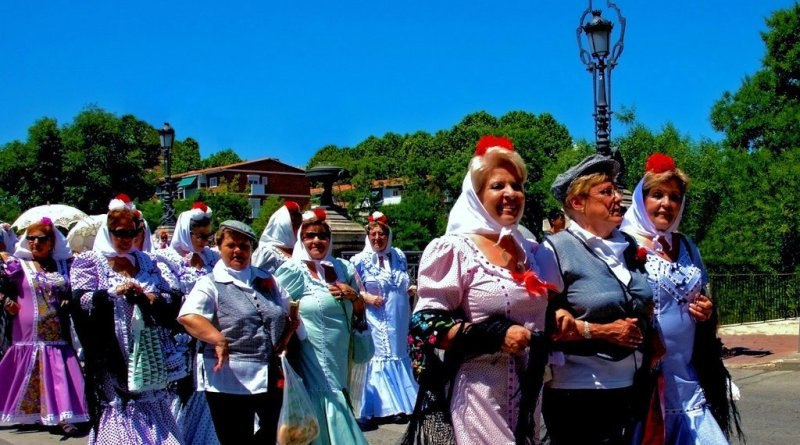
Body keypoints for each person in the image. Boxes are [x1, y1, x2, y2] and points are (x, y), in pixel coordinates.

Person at [410, 135, 552, 444]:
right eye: (498, 186)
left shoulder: (529, 250)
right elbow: (424, 323)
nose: (511, 194)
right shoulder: (455, 249)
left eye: (517, 186)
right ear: (476, 195)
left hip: (529, 394)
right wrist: (494, 334)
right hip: (478, 395)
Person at [621, 153, 742, 444]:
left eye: (674, 197)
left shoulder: (687, 246)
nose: (666, 203)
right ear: (641, 199)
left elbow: (704, 294)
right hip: (648, 378)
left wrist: (707, 310)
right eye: (657, 195)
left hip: (689, 374)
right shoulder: (623, 243)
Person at [534, 154, 655, 445]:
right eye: (606, 192)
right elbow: (543, 323)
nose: (618, 198)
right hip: (580, 392)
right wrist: (602, 331)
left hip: (633, 386)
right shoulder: (555, 249)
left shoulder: (629, 246)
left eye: (617, 190)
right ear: (578, 203)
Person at [70, 194, 183, 444]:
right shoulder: (91, 262)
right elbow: (80, 300)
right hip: (113, 350)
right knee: (120, 404)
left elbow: (170, 296)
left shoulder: (146, 261)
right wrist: (112, 293)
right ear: (108, 231)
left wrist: (151, 297)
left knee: (152, 400)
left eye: (131, 233)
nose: (126, 239)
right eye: (120, 233)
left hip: (148, 346)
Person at [179, 220, 297, 445]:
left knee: (275, 433)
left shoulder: (265, 279)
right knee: (236, 438)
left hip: (268, 373)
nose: (238, 251)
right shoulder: (210, 283)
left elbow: (288, 309)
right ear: (219, 247)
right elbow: (189, 316)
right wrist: (218, 339)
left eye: (244, 246)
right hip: (229, 378)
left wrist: (286, 336)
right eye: (231, 245)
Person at [274, 207, 372, 445]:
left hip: (342, 350)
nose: (317, 241)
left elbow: (359, 308)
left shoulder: (342, 268)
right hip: (312, 352)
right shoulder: (294, 270)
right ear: (301, 240)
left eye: (322, 236)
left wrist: (354, 297)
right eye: (310, 236)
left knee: (338, 390)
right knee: (325, 392)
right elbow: (277, 307)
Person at [0, 217, 88, 435]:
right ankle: (31, 413)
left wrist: (69, 298)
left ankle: (62, 415)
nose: (35, 243)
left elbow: (76, 290)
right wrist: (5, 300)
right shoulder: (17, 265)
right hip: (27, 332)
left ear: (52, 242)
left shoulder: (64, 266)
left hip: (57, 331)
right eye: (31, 238)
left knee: (56, 371)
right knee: (27, 370)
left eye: (41, 239)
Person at [350, 211, 418, 426]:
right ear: (368, 236)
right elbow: (352, 290)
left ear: (388, 236)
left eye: (381, 234)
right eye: (373, 234)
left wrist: (410, 288)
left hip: (398, 315)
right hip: (375, 317)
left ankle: (402, 403)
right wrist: (367, 297)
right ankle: (383, 406)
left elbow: (402, 280)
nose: (377, 238)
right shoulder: (358, 261)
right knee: (379, 354)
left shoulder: (399, 256)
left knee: (397, 353)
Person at [156, 202, 220, 295]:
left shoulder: (211, 255)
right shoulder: (165, 258)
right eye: (202, 236)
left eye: (208, 236)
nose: (206, 242)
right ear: (185, 233)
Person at [251, 201, 303, 274]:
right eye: (296, 226)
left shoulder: (299, 250)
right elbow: (257, 277)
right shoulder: (267, 252)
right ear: (283, 227)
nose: (299, 230)